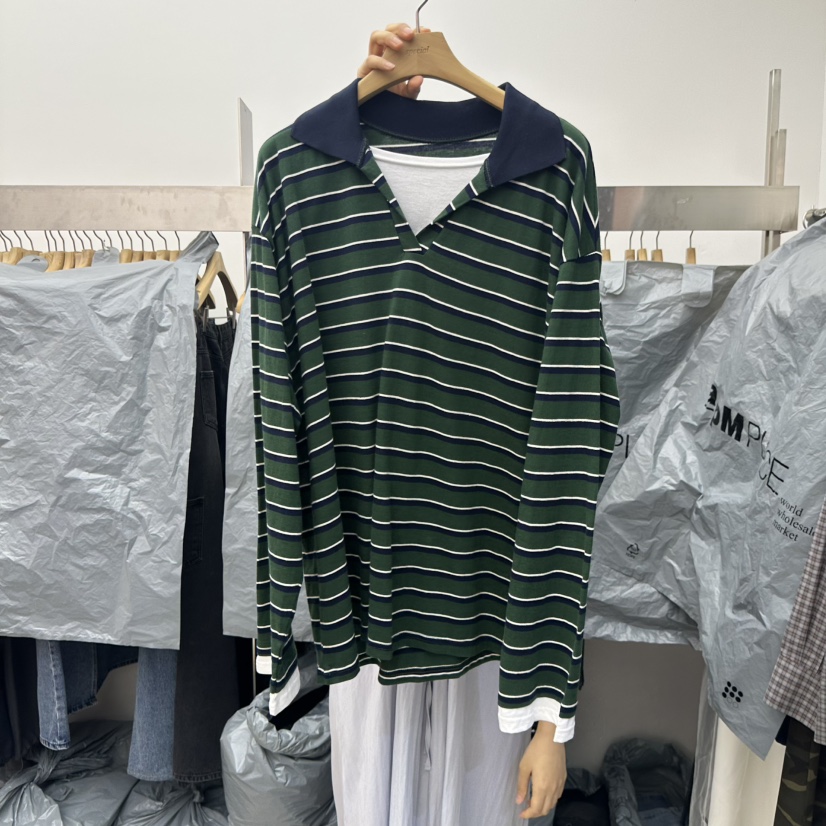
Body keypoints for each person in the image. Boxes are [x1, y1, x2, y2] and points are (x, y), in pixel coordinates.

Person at [333, 22, 569, 823]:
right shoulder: (302, 180)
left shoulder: (552, 176)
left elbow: (568, 449)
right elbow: (281, 423)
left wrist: (551, 720)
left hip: (494, 610)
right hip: (367, 609)